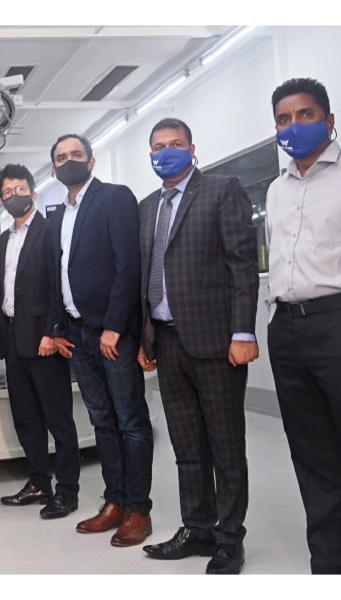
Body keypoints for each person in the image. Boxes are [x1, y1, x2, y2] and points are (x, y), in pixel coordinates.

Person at [136, 119, 259, 575]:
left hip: (215, 341)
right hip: (166, 342)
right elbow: (143, 275)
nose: (166, 153)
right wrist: (144, 334)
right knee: (187, 446)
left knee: (226, 445)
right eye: (158, 147)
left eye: (175, 145)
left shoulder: (222, 190)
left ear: (192, 148)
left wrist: (243, 332)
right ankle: (198, 527)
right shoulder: (147, 206)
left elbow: (242, 265)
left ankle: (230, 539)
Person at [48, 134, 154, 547]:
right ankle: (114, 501)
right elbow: (59, 274)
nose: (69, 161)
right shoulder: (58, 214)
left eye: (76, 155)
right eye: (61, 157)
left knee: (130, 421)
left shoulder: (114, 198)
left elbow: (128, 265)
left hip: (112, 334)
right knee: (102, 422)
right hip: (77, 334)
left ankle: (138, 510)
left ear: (91, 161)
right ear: (54, 167)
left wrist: (114, 324)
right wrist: (58, 329)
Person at [266, 77, 341, 574]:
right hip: (287, 329)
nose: (295, 126)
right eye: (284, 119)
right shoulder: (275, 188)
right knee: (312, 455)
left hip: (337, 322)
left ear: (330, 121)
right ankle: (328, 564)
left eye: (306, 115)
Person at [0, 164, 80, 520]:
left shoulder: (50, 231)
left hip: (44, 339)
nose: (14, 196)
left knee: (58, 419)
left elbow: (56, 287)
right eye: (7, 193)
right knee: (26, 417)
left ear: (33, 191)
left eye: (20, 189)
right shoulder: (4, 238)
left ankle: (68, 491)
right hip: (14, 338)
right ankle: (38, 481)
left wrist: (52, 332)